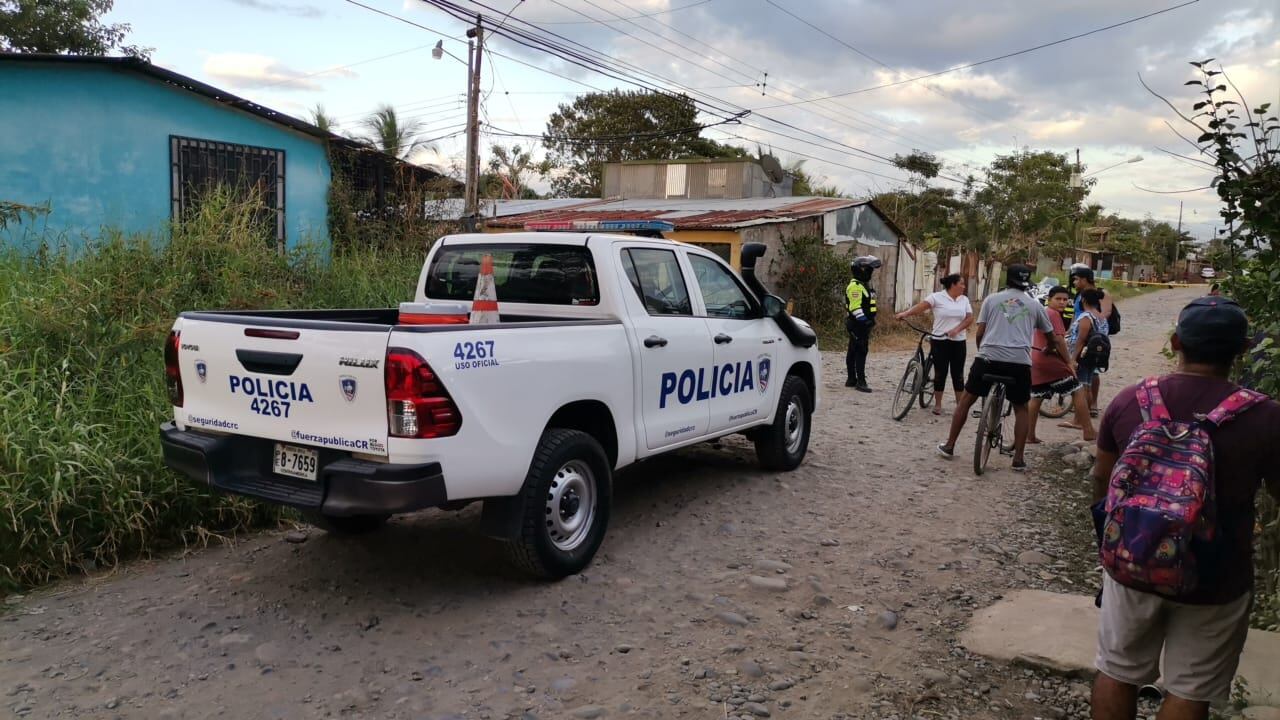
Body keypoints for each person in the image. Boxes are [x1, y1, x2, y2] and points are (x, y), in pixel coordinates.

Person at [1090, 297, 1280, 720]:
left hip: (1134, 559)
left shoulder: (1129, 401)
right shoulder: (1267, 416)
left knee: (1117, 672)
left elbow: (1102, 481)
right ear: (1243, 349)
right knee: (1190, 689)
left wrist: (1118, 539)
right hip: (1218, 575)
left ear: (1176, 341)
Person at [936, 264, 1070, 472]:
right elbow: (1052, 336)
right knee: (1021, 408)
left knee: (966, 400)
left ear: (1008, 280)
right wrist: (1050, 348)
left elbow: (980, 333)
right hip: (1019, 363)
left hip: (988, 358)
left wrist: (983, 352)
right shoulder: (1035, 306)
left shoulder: (992, 299)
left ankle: (950, 445)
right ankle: (1018, 459)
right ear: (1027, 282)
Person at [895, 273, 974, 415]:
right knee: (940, 373)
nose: (964, 286)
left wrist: (957, 330)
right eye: (961, 283)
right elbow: (920, 307)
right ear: (953, 285)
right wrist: (905, 314)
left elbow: (969, 319)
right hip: (939, 340)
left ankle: (960, 406)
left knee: (958, 374)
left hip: (958, 342)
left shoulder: (964, 300)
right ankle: (938, 404)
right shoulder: (937, 297)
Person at [1027, 286, 1091, 443]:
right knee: (1076, 389)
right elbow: (1059, 340)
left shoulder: (1042, 312)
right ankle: (1088, 430)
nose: (1062, 302)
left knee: (1037, 396)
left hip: (1035, 356)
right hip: (1049, 359)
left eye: (1065, 299)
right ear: (1049, 299)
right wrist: (1069, 361)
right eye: (1058, 299)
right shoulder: (1053, 314)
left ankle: (1029, 435)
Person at [1069, 265, 1113, 417]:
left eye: (1076, 279)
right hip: (1086, 332)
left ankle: (1085, 412)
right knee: (1086, 381)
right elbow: (1075, 315)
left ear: (1084, 279)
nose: (1074, 282)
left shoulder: (1100, 295)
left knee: (1085, 380)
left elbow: (1106, 313)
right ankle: (1083, 412)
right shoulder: (1079, 296)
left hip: (1089, 341)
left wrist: (1087, 325)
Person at [845, 255, 882, 392]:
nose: (869, 273)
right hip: (858, 324)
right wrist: (865, 321)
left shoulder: (863, 285)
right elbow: (855, 308)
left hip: (860, 324)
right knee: (860, 351)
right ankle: (860, 382)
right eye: (868, 270)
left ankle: (851, 379)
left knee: (853, 350)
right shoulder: (855, 286)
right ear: (860, 270)